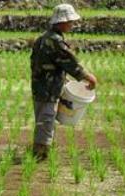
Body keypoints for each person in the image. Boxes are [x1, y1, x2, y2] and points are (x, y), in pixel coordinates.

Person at [30, 4, 97, 160]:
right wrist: (89, 77)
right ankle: (40, 154)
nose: (71, 25)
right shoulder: (55, 41)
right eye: (70, 21)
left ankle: (42, 151)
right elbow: (71, 63)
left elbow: (44, 64)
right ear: (61, 22)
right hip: (48, 89)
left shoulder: (42, 38)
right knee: (46, 120)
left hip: (40, 86)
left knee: (44, 119)